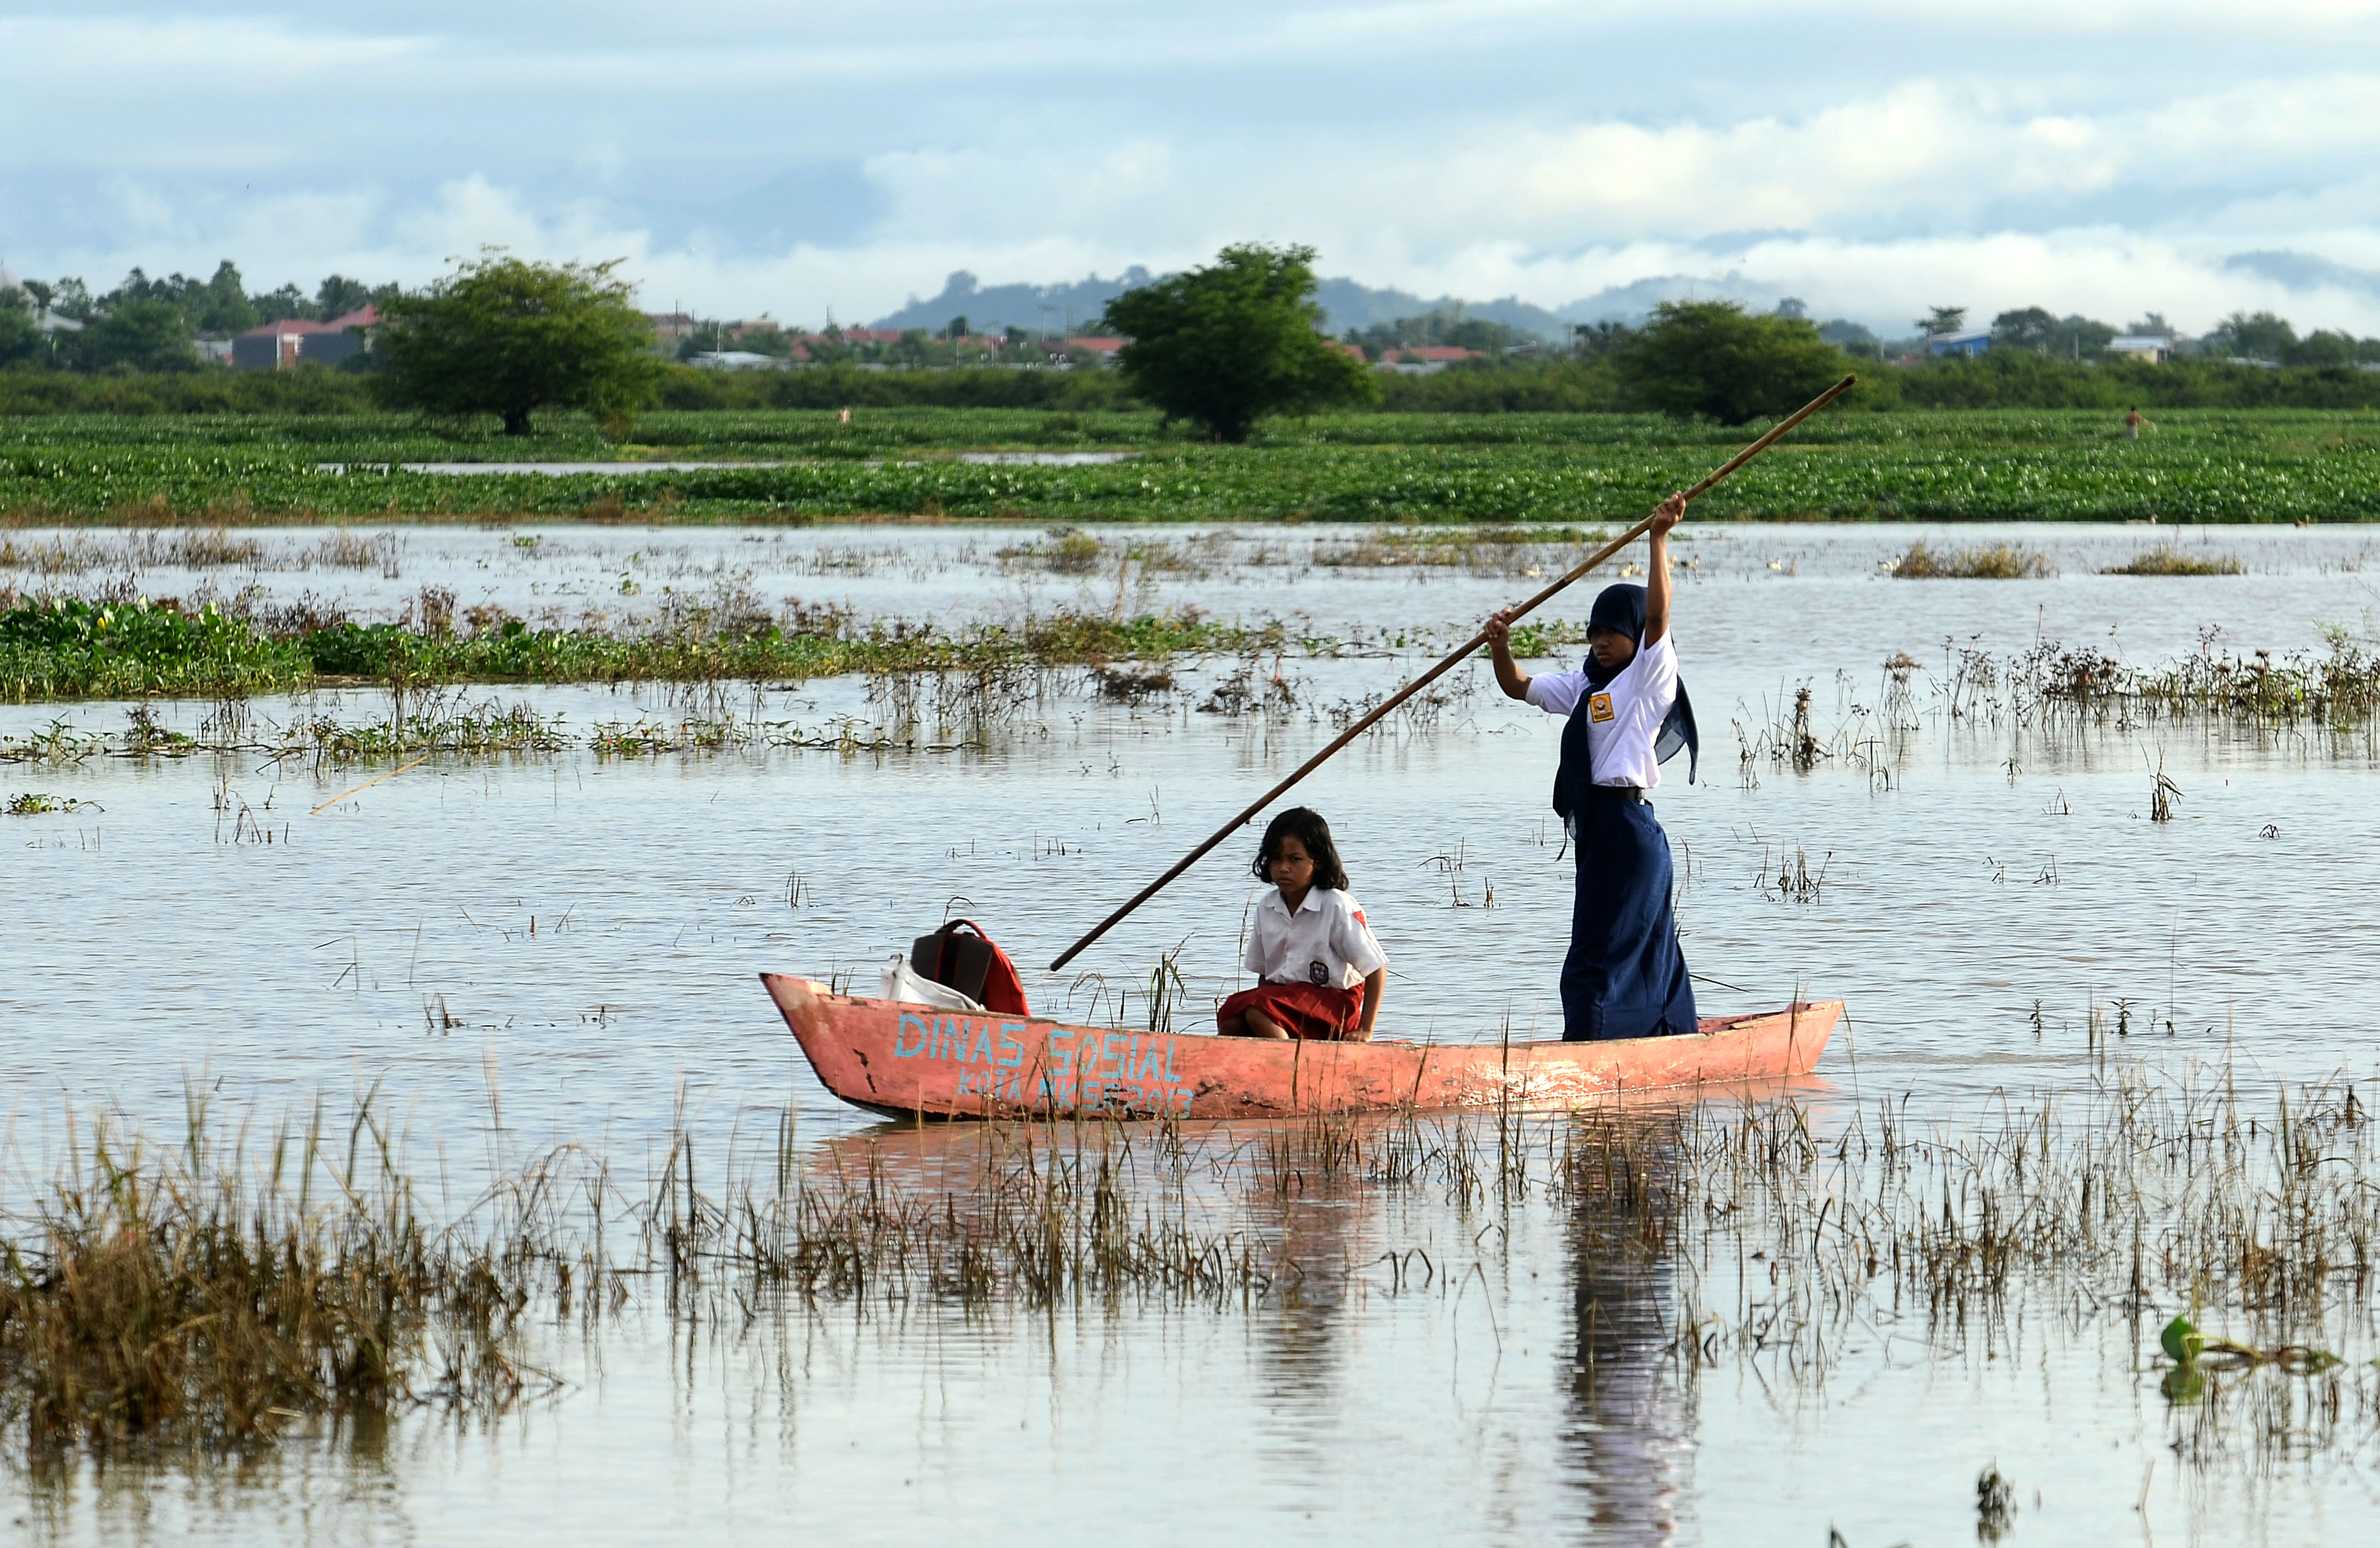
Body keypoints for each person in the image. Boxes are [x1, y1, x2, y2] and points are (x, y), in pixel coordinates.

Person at [1485, 493, 1700, 1043]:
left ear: (1635, 637)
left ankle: (1597, 1040)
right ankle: (1655, 1031)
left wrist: (1657, 537)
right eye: (1593, 635)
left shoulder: (1649, 680)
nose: (1600, 643)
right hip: (1599, 830)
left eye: (1611, 633)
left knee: (1601, 950)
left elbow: (1658, 615)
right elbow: (1516, 687)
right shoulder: (1585, 685)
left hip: (1629, 830)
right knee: (1616, 938)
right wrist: (1500, 645)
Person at [1217, 807, 1388, 1041]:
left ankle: (1288, 1066)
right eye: (1276, 859)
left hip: (1333, 1003)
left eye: (1295, 859)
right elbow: (1266, 977)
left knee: (1259, 1011)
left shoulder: (1336, 905)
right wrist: (1261, 1002)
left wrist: (1365, 1031)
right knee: (1232, 1013)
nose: (1284, 868)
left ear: (1317, 862)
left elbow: (1376, 968)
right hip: (1283, 1001)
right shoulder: (1267, 908)